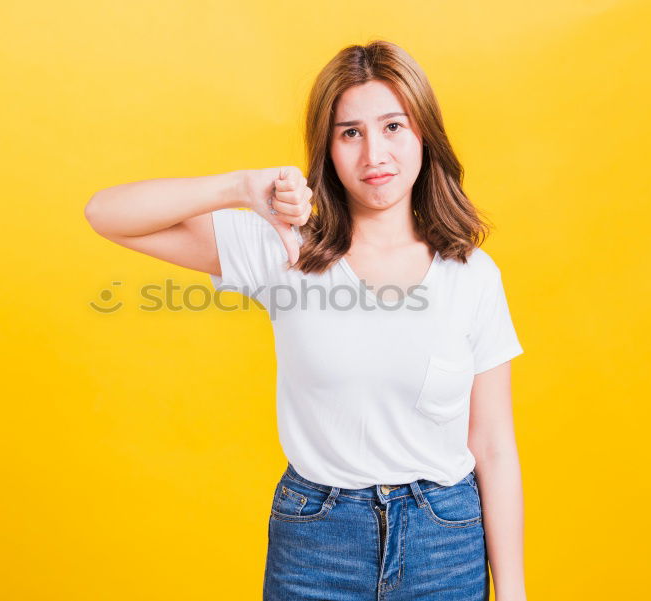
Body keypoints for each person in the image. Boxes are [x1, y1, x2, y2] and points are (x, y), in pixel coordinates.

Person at [85, 40, 527, 601]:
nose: (374, 155)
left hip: (445, 541)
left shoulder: (472, 275)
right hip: (318, 542)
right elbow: (107, 214)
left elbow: (492, 444)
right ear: (327, 149)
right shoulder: (285, 248)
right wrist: (242, 188)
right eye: (351, 133)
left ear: (425, 135)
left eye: (393, 126)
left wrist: (513, 589)